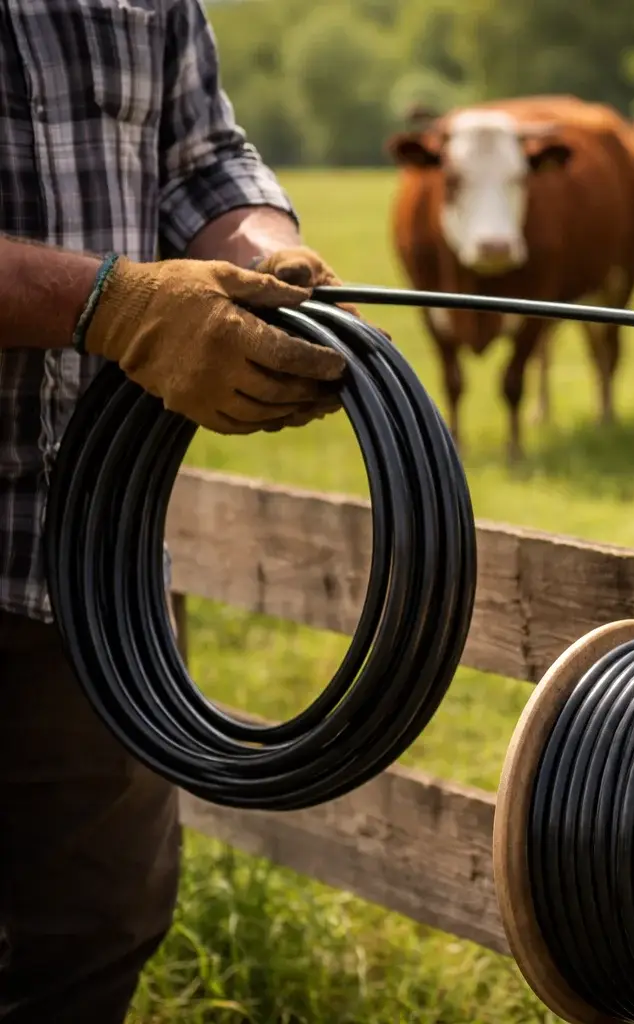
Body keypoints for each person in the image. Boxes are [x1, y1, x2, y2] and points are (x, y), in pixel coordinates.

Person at [0, 0, 367, 1019]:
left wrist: (267, 251)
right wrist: (107, 303)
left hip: (87, 578)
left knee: (96, 931)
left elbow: (199, 161)